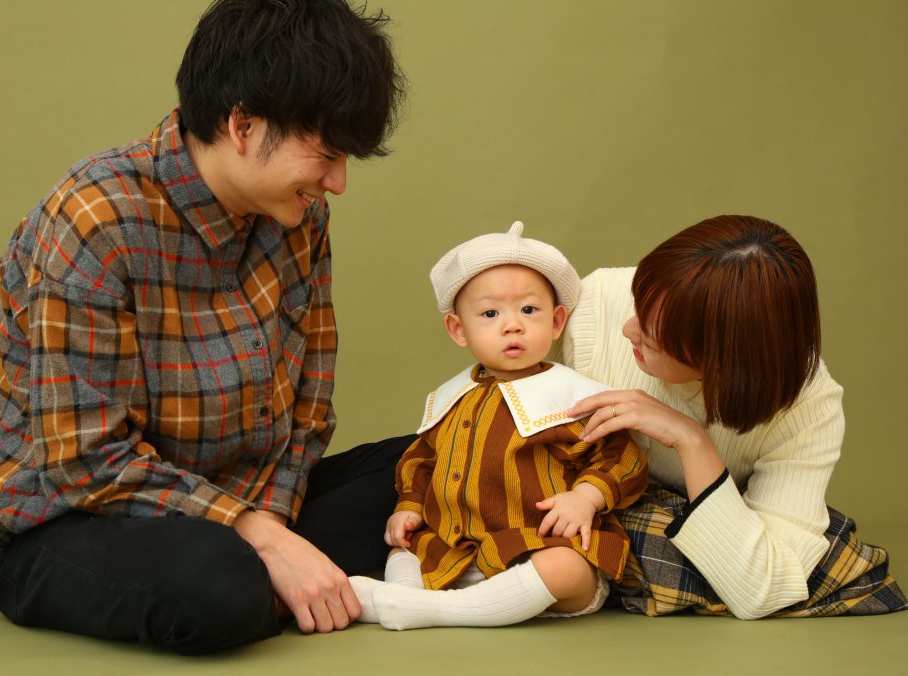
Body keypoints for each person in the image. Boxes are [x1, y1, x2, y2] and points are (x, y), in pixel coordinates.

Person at [0, 0, 410, 654]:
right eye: (326, 154)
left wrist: (270, 522)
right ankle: (284, 577)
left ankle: (281, 573)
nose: (338, 182)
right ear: (243, 124)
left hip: (240, 497)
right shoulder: (95, 221)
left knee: (446, 460)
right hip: (75, 515)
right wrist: (259, 537)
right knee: (217, 585)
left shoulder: (297, 215)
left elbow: (309, 408)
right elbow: (85, 465)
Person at [564, 214, 907, 619]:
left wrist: (690, 439)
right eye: (636, 305)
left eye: (651, 339)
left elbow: (764, 589)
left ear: (723, 361)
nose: (627, 329)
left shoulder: (807, 406)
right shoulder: (597, 303)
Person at [350, 221, 648, 630]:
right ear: (458, 329)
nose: (513, 325)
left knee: (568, 567)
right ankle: (408, 595)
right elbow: (420, 461)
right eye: (490, 314)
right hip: (457, 552)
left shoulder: (576, 398)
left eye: (529, 310)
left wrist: (585, 498)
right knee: (404, 551)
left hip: (537, 546)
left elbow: (623, 458)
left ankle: (431, 609)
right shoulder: (452, 398)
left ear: (557, 321)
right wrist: (409, 506)